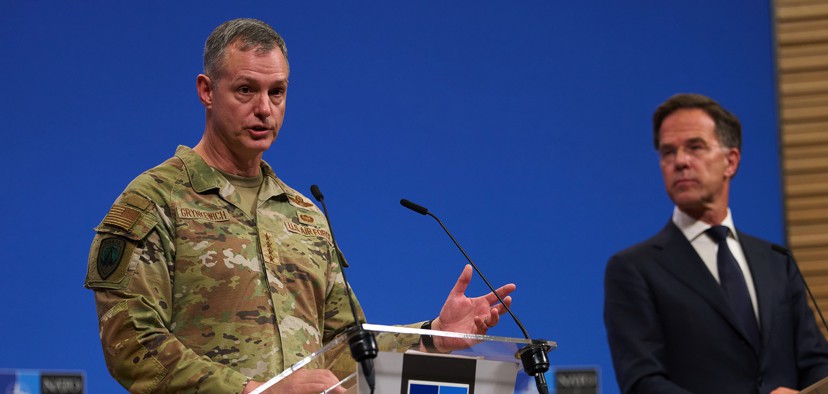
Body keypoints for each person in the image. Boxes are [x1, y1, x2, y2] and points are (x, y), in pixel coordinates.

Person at [84, 18, 514, 394]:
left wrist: (433, 336)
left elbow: (343, 348)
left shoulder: (304, 215)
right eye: (246, 90)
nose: (264, 109)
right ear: (206, 91)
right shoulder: (155, 200)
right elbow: (130, 340)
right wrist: (252, 392)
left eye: (277, 92)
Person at [603, 93, 828, 394]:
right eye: (668, 152)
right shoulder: (634, 268)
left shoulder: (776, 260)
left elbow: (817, 363)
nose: (680, 161)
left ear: (731, 161)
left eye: (695, 147)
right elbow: (643, 383)